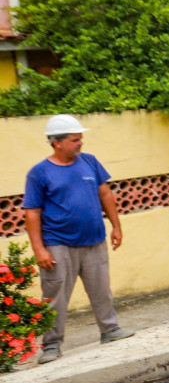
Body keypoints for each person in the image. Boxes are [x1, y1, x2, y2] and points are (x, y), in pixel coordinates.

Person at [23, 114, 136, 364]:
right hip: (58, 243)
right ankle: (51, 345)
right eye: (75, 140)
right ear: (57, 142)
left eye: (80, 138)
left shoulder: (89, 161)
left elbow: (105, 194)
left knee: (101, 289)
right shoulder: (39, 173)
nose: (80, 143)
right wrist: (39, 249)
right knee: (55, 295)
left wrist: (116, 227)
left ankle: (110, 330)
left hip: (94, 239)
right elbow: (32, 213)